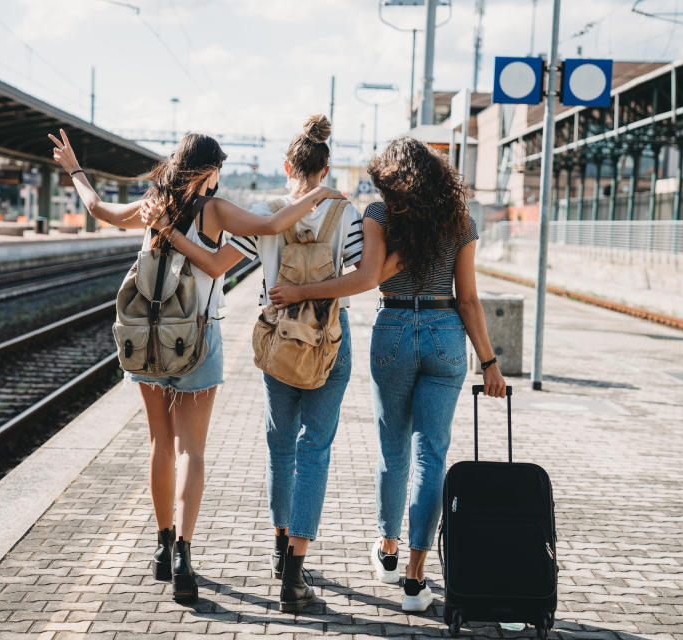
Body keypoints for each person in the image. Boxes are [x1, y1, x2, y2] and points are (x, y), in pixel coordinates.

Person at [47, 128, 344, 604]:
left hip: (146, 341)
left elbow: (98, 209)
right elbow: (270, 226)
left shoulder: (151, 205)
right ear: (208, 172)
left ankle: (162, 549)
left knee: (160, 444)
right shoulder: (214, 209)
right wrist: (319, 195)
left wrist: (75, 169)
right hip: (197, 340)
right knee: (191, 451)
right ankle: (184, 554)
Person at [142, 115, 372, 613]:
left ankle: (275, 546)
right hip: (329, 339)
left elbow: (221, 261)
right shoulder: (347, 213)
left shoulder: (265, 212)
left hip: (276, 336)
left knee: (280, 447)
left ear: (287, 165)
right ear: (327, 167)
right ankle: (294, 572)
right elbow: (359, 276)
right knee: (316, 450)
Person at [269, 136, 508, 613]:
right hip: (445, 333)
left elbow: (368, 276)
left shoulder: (380, 214)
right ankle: (416, 580)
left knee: (392, 451)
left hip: (394, 327)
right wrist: (489, 361)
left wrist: (302, 292)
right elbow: (468, 300)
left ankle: (389, 551)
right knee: (431, 456)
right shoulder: (459, 221)